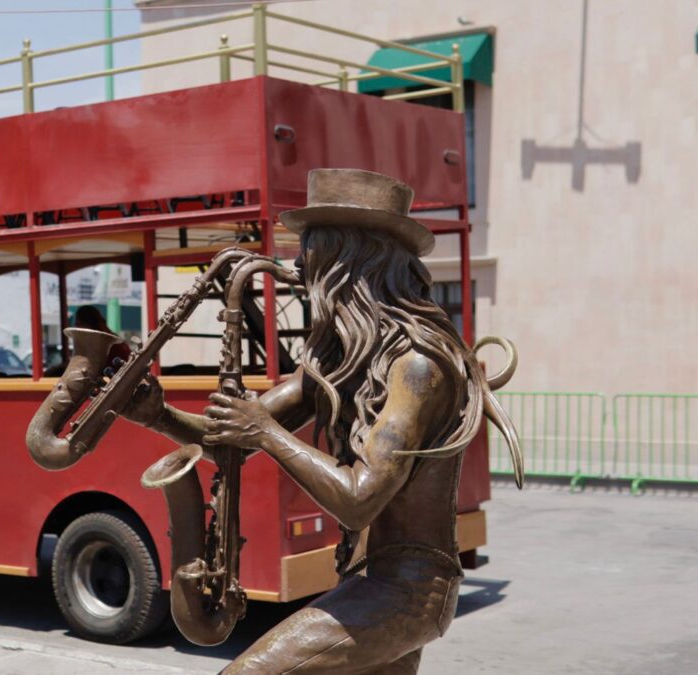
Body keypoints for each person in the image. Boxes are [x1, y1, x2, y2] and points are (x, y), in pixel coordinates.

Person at [121, 170, 523, 673]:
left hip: (406, 589)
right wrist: (156, 414)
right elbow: (234, 438)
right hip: (368, 580)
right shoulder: (340, 364)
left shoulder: (417, 366)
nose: (296, 263)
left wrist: (264, 433)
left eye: (310, 248)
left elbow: (359, 499)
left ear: (348, 261)